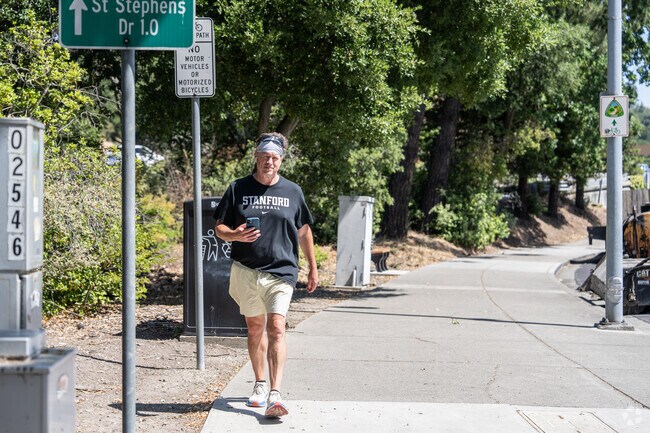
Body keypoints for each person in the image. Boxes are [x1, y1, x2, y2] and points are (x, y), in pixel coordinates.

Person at [213, 132, 318, 418]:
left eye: (274, 158)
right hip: (246, 269)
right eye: (264, 157)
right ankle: (259, 384)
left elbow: (303, 230)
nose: (269, 162)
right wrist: (235, 235)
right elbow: (219, 228)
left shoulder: (293, 191)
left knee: (277, 328)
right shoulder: (238, 188)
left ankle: (275, 393)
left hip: (281, 270)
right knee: (255, 328)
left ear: (281, 161)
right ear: (256, 159)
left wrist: (312, 266)